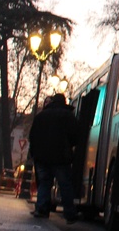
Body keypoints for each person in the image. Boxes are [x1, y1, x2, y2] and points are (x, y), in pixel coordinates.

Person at [28, 93, 80, 223]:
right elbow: (75, 136)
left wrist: (35, 154)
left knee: (44, 183)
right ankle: (69, 214)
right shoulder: (68, 116)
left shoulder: (41, 116)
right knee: (65, 185)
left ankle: (42, 209)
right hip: (61, 157)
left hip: (42, 157)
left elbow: (32, 136)